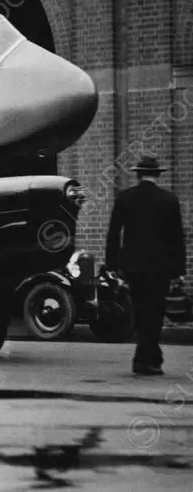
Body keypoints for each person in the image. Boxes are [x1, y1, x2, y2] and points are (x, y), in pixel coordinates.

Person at [105, 154, 187, 376]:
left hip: (132, 266)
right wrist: (179, 271)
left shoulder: (124, 198)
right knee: (155, 311)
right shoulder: (168, 199)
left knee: (140, 310)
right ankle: (147, 359)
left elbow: (113, 234)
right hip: (160, 268)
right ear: (157, 175)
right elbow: (176, 238)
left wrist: (112, 264)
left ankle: (148, 357)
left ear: (138, 175)